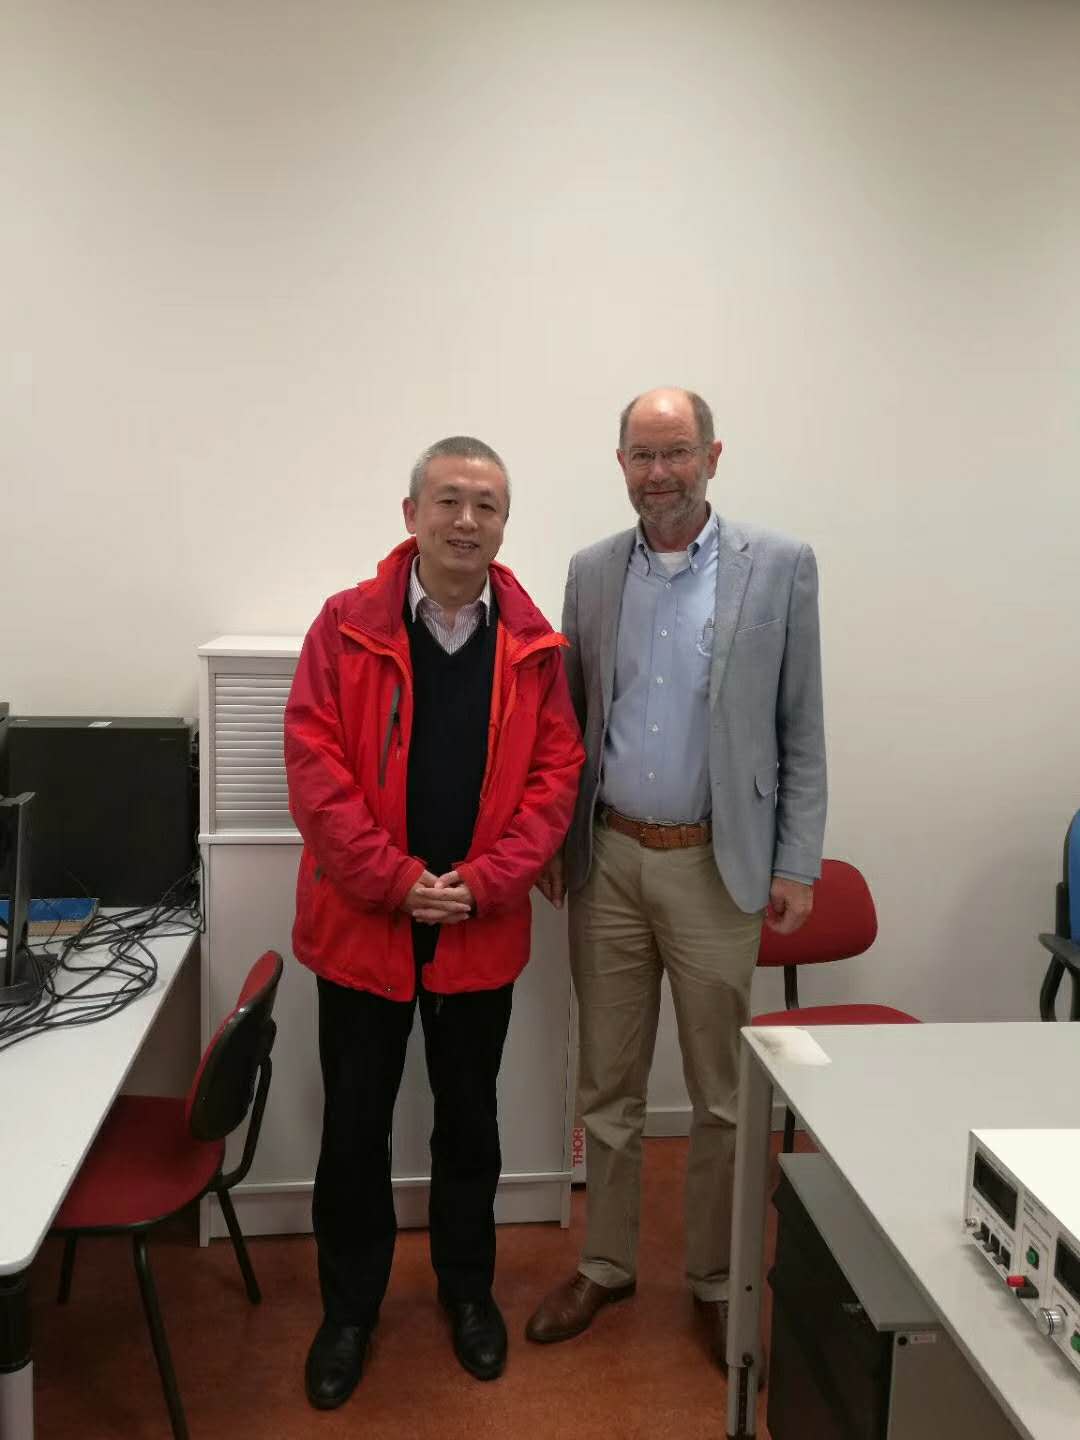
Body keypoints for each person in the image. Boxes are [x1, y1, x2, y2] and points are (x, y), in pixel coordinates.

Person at [526, 388, 826, 1372]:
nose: (660, 473)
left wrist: (796, 860)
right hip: (609, 858)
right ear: (620, 463)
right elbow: (567, 722)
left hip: (715, 864)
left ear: (713, 456)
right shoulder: (591, 571)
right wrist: (555, 842)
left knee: (722, 1096)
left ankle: (714, 1278)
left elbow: (802, 727)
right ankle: (605, 1264)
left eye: (678, 452)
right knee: (606, 1084)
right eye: (643, 455)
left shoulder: (779, 565)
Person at [285, 436, 584, 1410]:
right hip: (363, 924)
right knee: (354, 1130)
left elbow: (556, 779)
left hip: (476, 925)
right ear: (410, 514)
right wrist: (397, 879)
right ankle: (349, 1312)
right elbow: (314, 769)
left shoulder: (534, 648)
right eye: (448, 500)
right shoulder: (343, 627)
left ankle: (467, 1293)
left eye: (486, 505)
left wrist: (485, 883)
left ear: (504, 524)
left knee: (470, 1125)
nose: (466, 520)